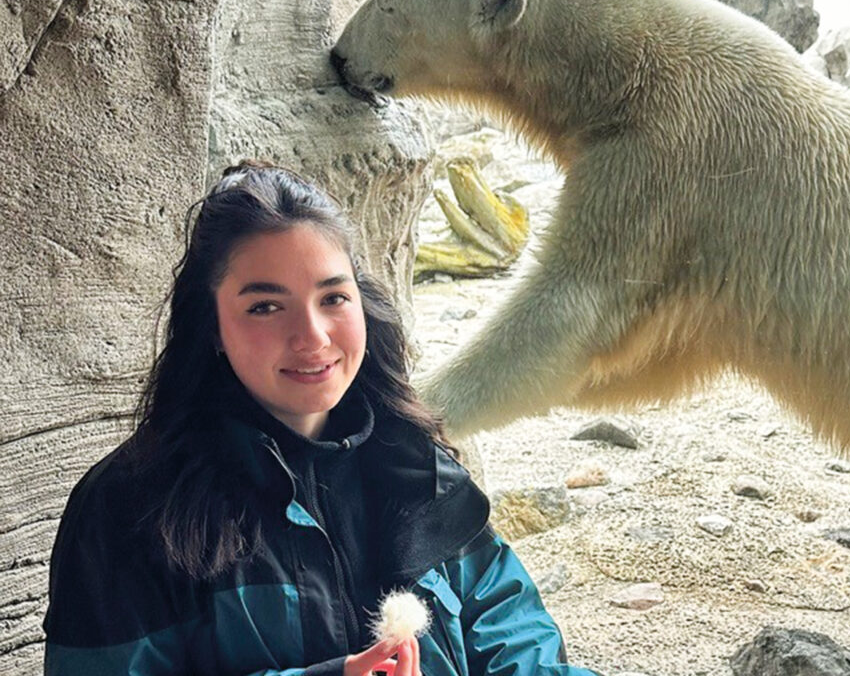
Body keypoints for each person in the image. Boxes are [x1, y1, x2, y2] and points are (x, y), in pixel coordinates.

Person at [43, 163, 599, 676]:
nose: (312, 336)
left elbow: (515, 635)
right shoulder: (129, 507)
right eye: (265, 306)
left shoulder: (417, 465)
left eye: (333, 297)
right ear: (211, 327)